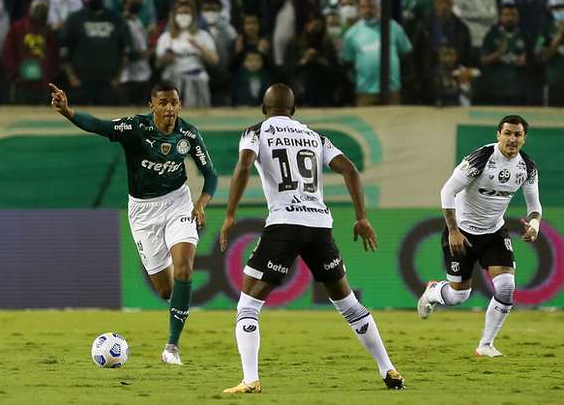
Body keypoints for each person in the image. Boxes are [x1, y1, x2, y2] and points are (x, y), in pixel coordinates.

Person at [219, 83, 405, 394]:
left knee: (248, 304)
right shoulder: (314, 136)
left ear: (264, 109)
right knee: (348, 304)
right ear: (293, 110)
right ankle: (388, 368)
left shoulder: (256, 131)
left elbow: (244, 166)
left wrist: (229, 215)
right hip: (319, 224)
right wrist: (361, 217)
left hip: (284, 223)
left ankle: (250, 379)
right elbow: (350, 170)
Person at [48, 80, 217, 365]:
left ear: (179, 105)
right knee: (165, 290)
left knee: (185, 270)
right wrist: (67, 111)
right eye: (162, 102)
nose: (169, 108)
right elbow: (99, 126)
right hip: (143, 212)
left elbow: (210, 174)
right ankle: (178, 311)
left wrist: (200, 204)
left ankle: (172, 347)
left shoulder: (189, 134)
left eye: (174, 102)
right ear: (151, 105)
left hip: (178, 202)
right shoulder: (135, 128)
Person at [418, 115, 541, 358]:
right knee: (458, 295)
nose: (512, 139)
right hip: (461, 232)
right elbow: (447, 191)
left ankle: (486, 345)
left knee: (506, 287)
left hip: (495, 232)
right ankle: (434, 291)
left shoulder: (527, 167)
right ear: (498, 135)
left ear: (524, 138)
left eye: (518, 134)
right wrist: (453, 230)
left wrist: (535, 223)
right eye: (508, 133)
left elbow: (534, 205)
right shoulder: (480, 158)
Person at [60, 0, 131, 105]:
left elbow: (125, 50)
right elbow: (63, 50)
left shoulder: (116, 19)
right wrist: (72, 77)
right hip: (81, 81)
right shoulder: (74, 19)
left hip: (109, 81)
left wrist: (118, 77)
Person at [341, 0, 412, 105]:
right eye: (365, 7)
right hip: (365, 91)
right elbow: (348, 61)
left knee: (395, 121)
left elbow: (405, 53)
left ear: (379, 8)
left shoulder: (393, 27)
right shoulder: (352, 34)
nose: (368, 10)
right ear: (359, 9)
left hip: (392, 89)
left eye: (372, 6)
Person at [155, 0, 218, 108]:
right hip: (173, 80)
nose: (183, 16)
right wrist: (166, 58)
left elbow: (215, 60)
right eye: (180, 13)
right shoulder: (166, 37)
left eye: (186, 13)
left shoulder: (203, 35)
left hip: (197, 79)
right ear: (174, 16)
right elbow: (158, 63)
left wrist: (199, 47)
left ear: (193, 16)